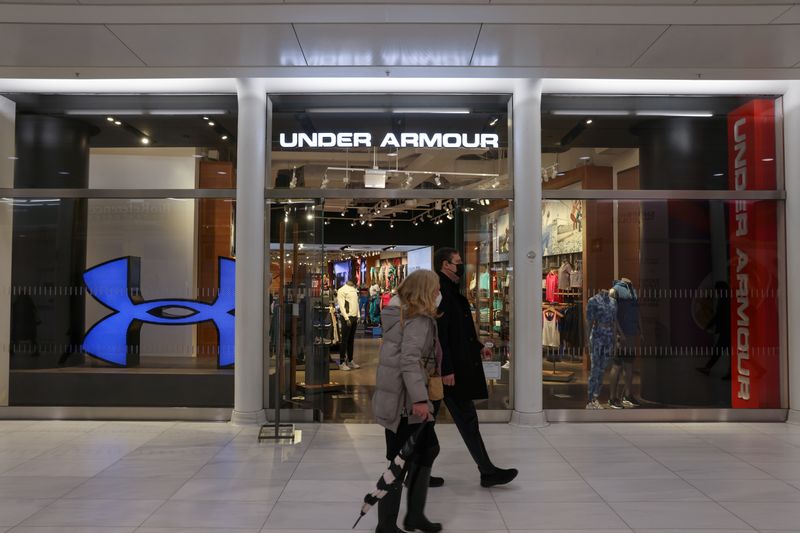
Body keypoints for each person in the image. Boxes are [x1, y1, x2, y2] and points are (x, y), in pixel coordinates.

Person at [433, 247, 518, 488]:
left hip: (453, 367)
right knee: (439, 422)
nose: (460, 266)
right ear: (445, 265)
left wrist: (477, 346)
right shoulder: (440, 291)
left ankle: (487, 470)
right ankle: (487, 471)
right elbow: (441, 335)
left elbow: (457, 331)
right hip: (449, 371)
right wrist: (447, 368)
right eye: (457, 263)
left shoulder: (449, 290)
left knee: (437, 422)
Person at [373, 269, 443, 533]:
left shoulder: (398, 314)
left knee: (424, 451)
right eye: (435, 287)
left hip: (398, 399)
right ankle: (387, 524)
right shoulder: (418, 320)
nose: (438, 292)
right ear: (425, 290)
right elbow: (409, 361)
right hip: (406, 403)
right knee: (401, 461)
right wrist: (421, 400)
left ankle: (413, 516)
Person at [337, 279, 360, 371]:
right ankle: (342, 362)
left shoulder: (354, 290)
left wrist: (358, 315)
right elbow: (341, 306)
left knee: (351, 340)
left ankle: (350, 360)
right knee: (344, 340)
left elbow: (356, 304)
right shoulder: (342, 290)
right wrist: (346, 318)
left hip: (354, 318)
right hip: (347, 318)